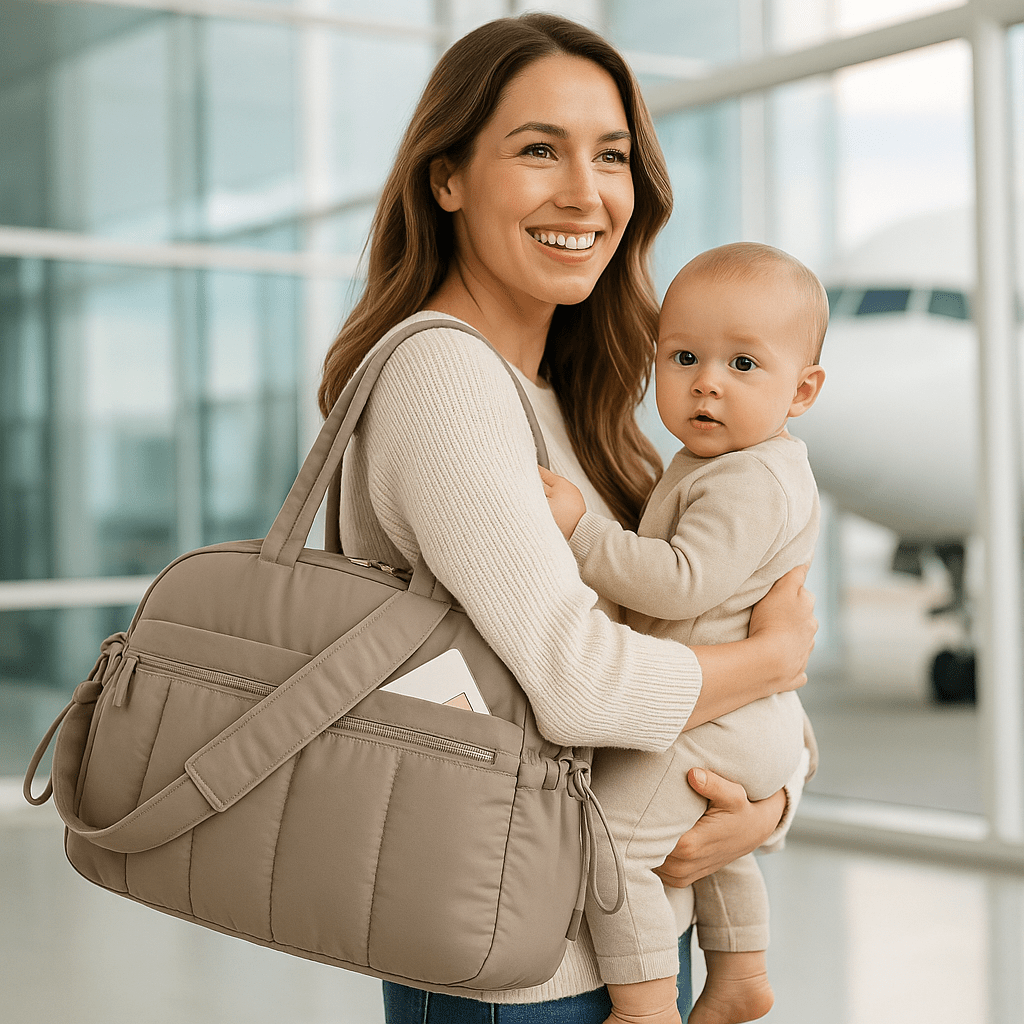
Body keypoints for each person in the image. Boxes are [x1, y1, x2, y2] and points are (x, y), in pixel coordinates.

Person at [317, 14, 817, 1023]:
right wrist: (774, 665)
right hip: (521, 964)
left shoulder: (570, 402)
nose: (584, 193)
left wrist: (765, 804)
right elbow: (588, 688)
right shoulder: (441, 376)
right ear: (445, 177)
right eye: (538, 149)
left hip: (624, 935)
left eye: (612, 156)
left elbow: (695, 630)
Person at [541, 241, 827, 1024]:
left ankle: (643, 1008)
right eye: (685, 356)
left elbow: (680, 580)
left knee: (614, 840)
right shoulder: (734, 461)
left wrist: (580, 534)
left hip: (720, 715)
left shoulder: (748, 479)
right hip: (743, 715)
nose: (706, 381)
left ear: (802, 391)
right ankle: (739, 972)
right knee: (688, 834)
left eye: (743, 365)